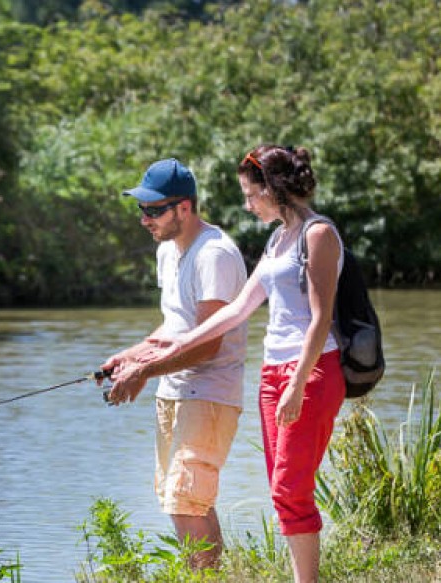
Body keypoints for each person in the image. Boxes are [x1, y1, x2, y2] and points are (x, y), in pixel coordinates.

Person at [115, 145, 344, 583]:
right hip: (272, 373)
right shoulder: (278, 239)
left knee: (289, 488)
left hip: (309, 370)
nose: (247, 203)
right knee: (283, 490)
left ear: (274, 189)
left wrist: (297, 383)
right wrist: (149, 357)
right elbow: (236, 310)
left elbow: (321, 318)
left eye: (250, 194)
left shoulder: (318, 234)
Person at [98, 157, 248, 570]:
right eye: (141, 209)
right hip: (174, 390)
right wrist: (129, 357)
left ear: (185, 207)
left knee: (186, 498)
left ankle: (204, 577)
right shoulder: (168, 252)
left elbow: (208, 343)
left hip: (210, 391)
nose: (145, 219)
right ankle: (209, 577)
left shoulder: (214, 254)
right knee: (181, 497)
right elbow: (174, 328)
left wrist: (144, 370)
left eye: (153, 210)